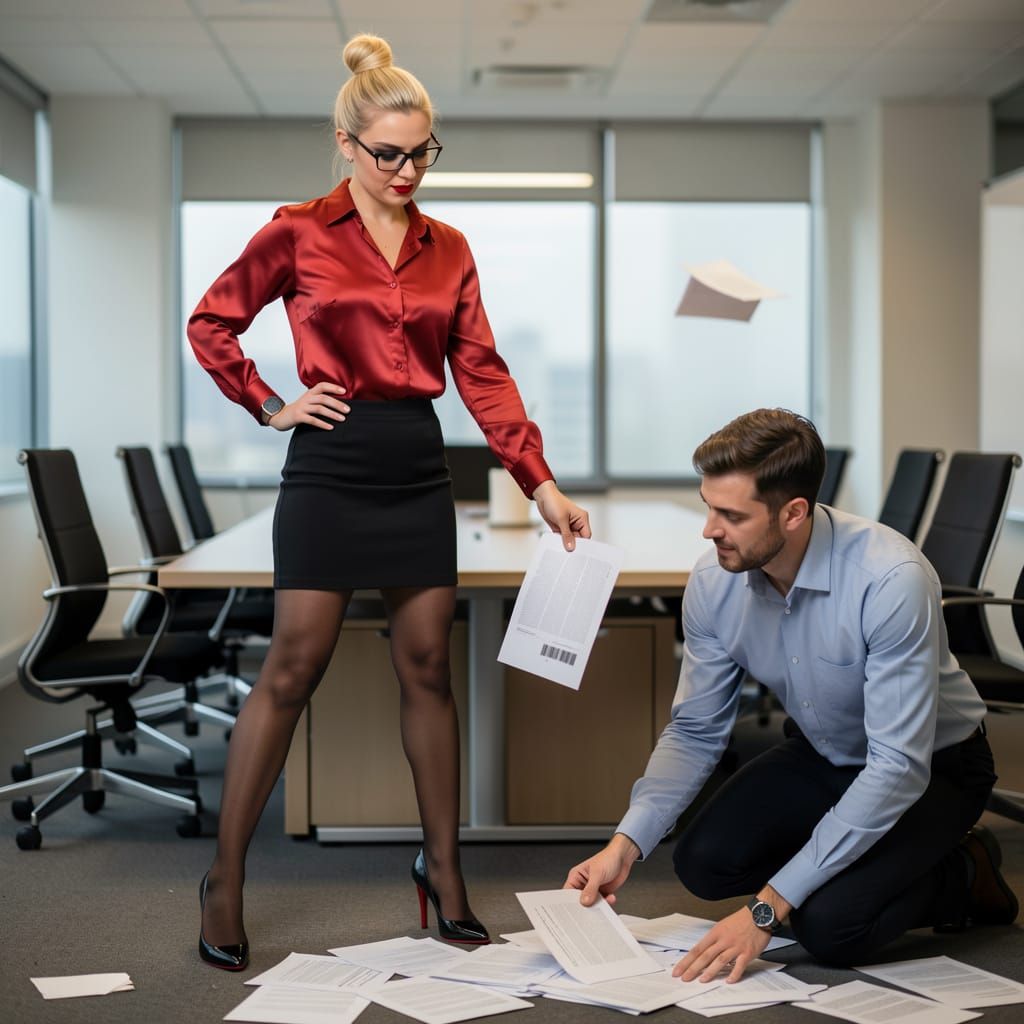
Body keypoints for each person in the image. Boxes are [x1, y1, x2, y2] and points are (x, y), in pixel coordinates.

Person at [188, 33, 591, 971]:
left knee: (428, 669)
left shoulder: (449, 249)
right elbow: (212, 322)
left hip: (416, 466)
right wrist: (269, 403)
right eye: (388, 154)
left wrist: (540, 483)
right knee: (293, 666)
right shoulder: (297, 230)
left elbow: (482, 372)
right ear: (346, 143)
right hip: (328, 466)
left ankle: (442, 870)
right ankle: (225, 879)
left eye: (422, 154)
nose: (408, 172)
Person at [565, 408, 1017, 982]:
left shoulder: (889, 579)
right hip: (824, 749)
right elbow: (696, 730)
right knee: (701, 863)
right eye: (708, 507)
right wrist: (624, 844)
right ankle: (841, 864)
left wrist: (767, 908)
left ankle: (964, 869)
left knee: (830, 928)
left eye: (732, 515)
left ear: (794, 513)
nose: (709, 530)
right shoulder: (713, 581)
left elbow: (896, 768)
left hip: (931, 766)